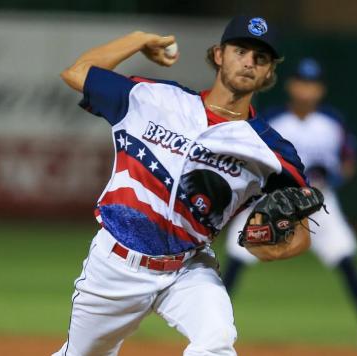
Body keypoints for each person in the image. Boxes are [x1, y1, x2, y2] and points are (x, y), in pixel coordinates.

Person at [54, 16, 318, 356]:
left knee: (217, 341)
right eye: (241, 51)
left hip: (188, 269)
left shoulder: (272, 150)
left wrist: (277, 249)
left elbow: (301, 228)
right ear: (219, 54)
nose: (249, 61)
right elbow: (77, 73)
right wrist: (137, 39)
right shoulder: (153, 98)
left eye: (261, 58)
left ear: (269, 74)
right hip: (115, 266)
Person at [222, 58, 357, 355]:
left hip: (318, 202)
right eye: (302, 82)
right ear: (291, 85)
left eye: (312, 84)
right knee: (237, 255)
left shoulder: (333, 122)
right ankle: (215, 323)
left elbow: (348, 161)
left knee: (346, 259)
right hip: (270, 199)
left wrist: (335, 176)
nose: (306, 89)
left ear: (321, 89)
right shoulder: (272, 119)